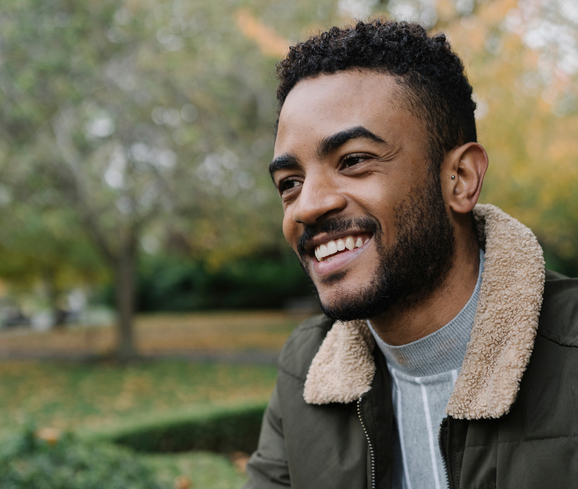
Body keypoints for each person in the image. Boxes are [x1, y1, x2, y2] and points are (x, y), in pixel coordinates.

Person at [244, 20, 578, 489]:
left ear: (459, 178)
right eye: (290, 184)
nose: (309, 205)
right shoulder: (306, 367)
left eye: (354, 160)